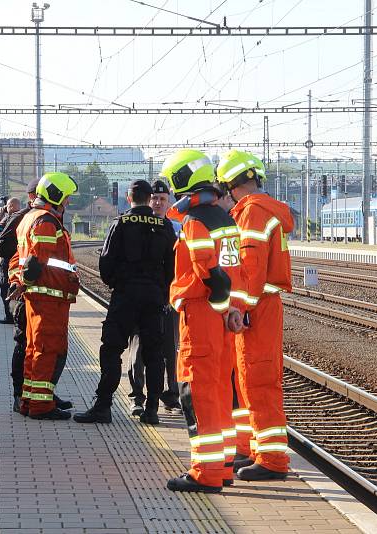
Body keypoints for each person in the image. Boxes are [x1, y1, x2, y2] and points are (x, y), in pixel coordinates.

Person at [160, 149, 245, 493]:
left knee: (198, 395)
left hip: (201, 316)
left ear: (182, 179)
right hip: (223, 318)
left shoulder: (195, 222)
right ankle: (223, 466)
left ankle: (205, 473)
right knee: (221, 393)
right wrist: (232, 310)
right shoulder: (225, 219)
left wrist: (220, 303)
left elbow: (208, 272)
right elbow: (232, 272)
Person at [215, 149, 294, 481]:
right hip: (260, 305)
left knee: (259, 380)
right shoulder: (260, 211)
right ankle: (250, 448)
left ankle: (273, 460)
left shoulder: (252, 214)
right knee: (247, 379)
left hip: (257, 307)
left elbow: (251, 270)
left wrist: (238, 309)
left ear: (232, 184)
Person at [74, 180, 176, 425]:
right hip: (153, 299)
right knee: (154, 354)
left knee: (111, 349)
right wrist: (161, 293)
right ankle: (152, 410)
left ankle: (104, 405)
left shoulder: (120, 223)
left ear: (129, 198)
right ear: (149, 198)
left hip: (126, 297)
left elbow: (106, 263)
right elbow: (172, 266)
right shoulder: (164, 225)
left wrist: (116, 284)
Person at [9, 172, 79, 420]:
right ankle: (41, 406)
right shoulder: (46, 221)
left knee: (34, 348)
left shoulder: (29, 218)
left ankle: (30, 399)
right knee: (47, 349)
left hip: (38, 297)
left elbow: (18, 259)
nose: (68, 203)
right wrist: (25, 281)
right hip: (49, 297)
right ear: (56, 195)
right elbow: (37, 260)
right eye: (66, 198)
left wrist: (18, 282)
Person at [126, 179, 182, 416]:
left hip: (169, 299)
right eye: (154, 199)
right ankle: (137, 396)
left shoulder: (176, 228)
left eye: (162, 200)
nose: (158, 203)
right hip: (142, 298)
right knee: (138, 349)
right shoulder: (136, 225)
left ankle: (171, 396)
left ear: (168, 203)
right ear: (148, 200)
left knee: (170, 349)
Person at [0, 197, 22, 324]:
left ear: (10, 207)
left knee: (5, 287)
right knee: (18, 286)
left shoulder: (8, 220)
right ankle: (19, 314)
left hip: (8, 260)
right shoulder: (24, 217)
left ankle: (10, 316)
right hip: (20, 259)